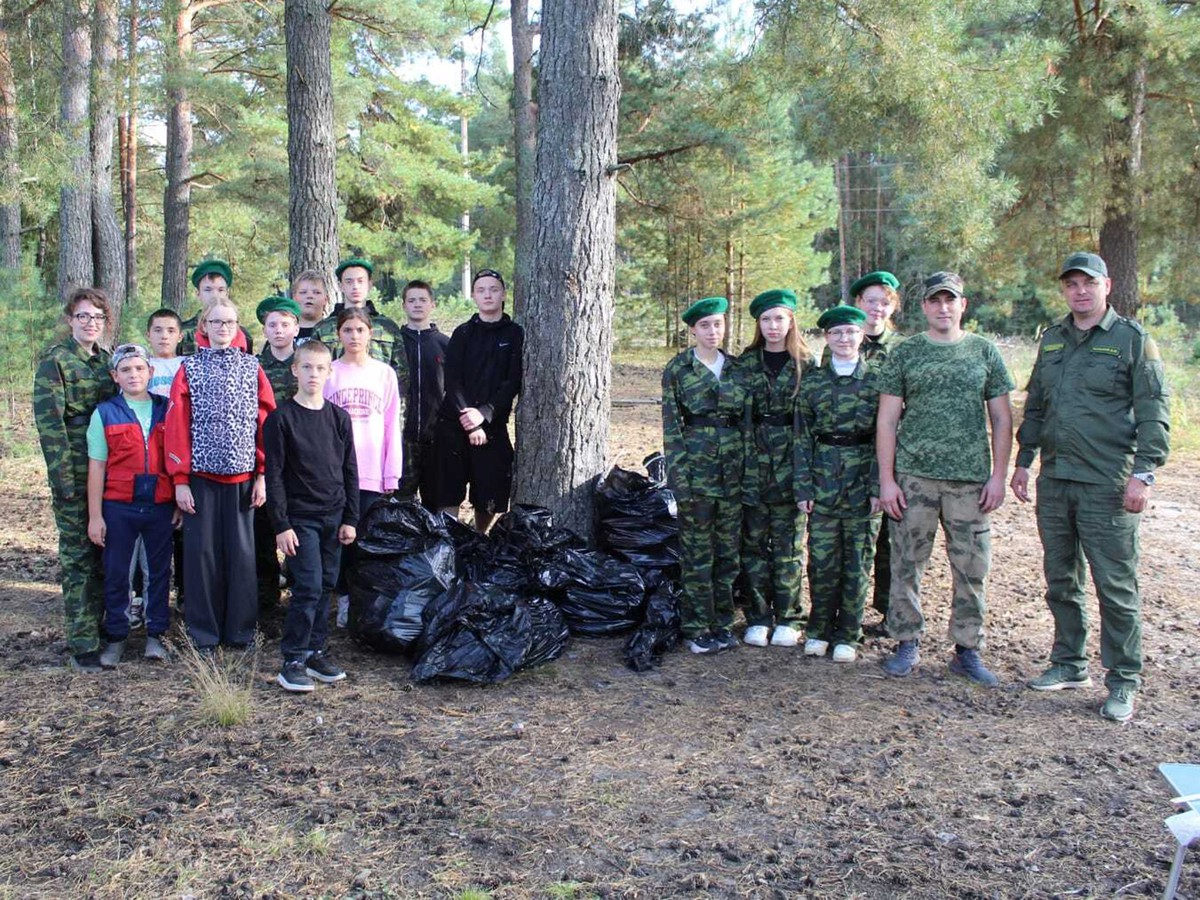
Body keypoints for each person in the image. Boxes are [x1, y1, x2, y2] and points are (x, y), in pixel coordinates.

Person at [1011, 251, 1170, 723]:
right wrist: (1024, 461)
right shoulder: (1054, 340)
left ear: (1107, 285)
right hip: (1056, 480)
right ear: (1064, 290)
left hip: (1108, 482)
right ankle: (1068, 662)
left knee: (1115, 585)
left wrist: (1143, 474)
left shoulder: (1131, 340)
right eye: (1071, 284)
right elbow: (1036, 403)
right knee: (1062, 579)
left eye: (1089, 283)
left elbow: (1154, 410)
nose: (1080, 291)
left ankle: (1123, 679)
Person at [876, 271, 1014, 685]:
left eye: (950, 300)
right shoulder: (905, 353)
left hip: (970, 481)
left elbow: (1002, 418)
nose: (942, 308)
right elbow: (886, 420)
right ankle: (906, 640)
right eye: (935, 301)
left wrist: (998, 476)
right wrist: (887, 479)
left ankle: (967, 649)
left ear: (962, 304)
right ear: (923, 307)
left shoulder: (984, 352)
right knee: (906, 564)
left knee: (972, 566)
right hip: (915, 478)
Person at [165, 299, 276, 650]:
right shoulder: (190, 368)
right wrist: (180, 480)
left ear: (238, 326)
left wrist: (262, 473)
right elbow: (177, 425)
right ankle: (203, 632)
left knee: (242, 556)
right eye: (216, 322)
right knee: (202, 557)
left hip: (243, 479)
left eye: (229, 322)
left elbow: (264, 422)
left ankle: (241, 631)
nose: (223, 328)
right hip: (201, 478)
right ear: (204, 327)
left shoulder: (252, 367)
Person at [264, 340, 359, 693]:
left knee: (327, 586)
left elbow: (350, 469)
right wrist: (282, 525)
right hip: (299, 518)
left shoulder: (339, 418)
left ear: (329, 372)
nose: (313, 374)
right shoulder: (281, 419)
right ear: (295, 370)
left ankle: (317, 650)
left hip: (334, 517)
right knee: (307, 586)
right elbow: (273, 476)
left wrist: (351, 517)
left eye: (320, 368)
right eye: (306, 367)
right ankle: (293, 659)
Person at [33, 287, 117, 672]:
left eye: (97, 318)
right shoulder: (57, 362)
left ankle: (106, 628)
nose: (90, 324)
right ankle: (83, 641)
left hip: (109, 470)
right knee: (78, 557)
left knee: (105, 551)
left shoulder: (107, 362)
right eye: (83, 316)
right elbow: (50, 427)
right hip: (75, 466)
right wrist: (64, 481)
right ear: (70, 320)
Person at [662, 296, 748, 655]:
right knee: (698, 554)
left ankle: (723, 622)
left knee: (728, 554)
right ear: (693, 330)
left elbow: (747, 424)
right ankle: (697, 627)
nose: (714, 332)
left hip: (734, 473)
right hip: (696, 474)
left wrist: (748, 473)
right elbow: (672, 429)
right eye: (706, 326)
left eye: (719, 324)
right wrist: (680, 482)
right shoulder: (679, 369)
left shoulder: (738, 369)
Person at [798, 305, 882, 663]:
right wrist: (803, 487)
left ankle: (849, 632)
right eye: (836, 333)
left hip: (863, 479)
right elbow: (801, 437)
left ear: (861, 335)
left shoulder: (878, 380)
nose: (844, 339)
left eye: (850, 332)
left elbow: (887, 435)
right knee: (822, 559)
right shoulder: (814, 382)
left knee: (858, 559)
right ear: (827, 339)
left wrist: (881, 485)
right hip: (823, 479)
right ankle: (818, 629)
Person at [85, 344, 176, 667]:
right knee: (118, 572)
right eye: (126, 370)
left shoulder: (168, 409)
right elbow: (96, 466)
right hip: (119, 506)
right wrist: (96, 516)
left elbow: (177, 457)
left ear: (151, 372)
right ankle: (117, 637)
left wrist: (178, 496)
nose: (133, 375)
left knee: (158, 572)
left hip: (160, 505)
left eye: (139, 368)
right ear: (115, 376)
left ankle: (156, 635)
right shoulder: (105, 413)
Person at [737, 288, 813, 649]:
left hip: (791, 465)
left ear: (791, 320)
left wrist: (807, 477)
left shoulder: (807, 364)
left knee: (789, 547)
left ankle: (789, 616)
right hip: (752, 465)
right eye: (766, 319)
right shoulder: (745, 363)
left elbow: (814, 424)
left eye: (779, 318)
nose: (773, 326)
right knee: (752, 545)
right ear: (758, 324)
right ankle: (757, 616)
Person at [324, 308, 403, 626]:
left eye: (360, 329)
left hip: (371, 472)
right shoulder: (329, 371)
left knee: (365, 540)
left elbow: (391, 424)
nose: (354, 336)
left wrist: (391, 471)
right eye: (348, 330)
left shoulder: (385, 373)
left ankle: (365, 599)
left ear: (370, 333)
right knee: (339, 540)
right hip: (336, 473)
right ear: (338, 335)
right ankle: (342, 598)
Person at [431, 269, 524, 533]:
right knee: (448, 491)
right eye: (481, 290)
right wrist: (470, 421)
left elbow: (512, 381)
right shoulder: (462, 333)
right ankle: (452, 540)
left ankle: (480, 538)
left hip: (492, 426)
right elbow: (452, 381)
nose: (487, 295)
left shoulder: (514, 334)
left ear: (503, 294)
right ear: (473, 296)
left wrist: (484, 414)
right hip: (454, 424)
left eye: (493, 289)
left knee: (491, 494)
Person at [841, 271, 905, 630]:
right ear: (858, 304)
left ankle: (890, 611)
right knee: (853, 535)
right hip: (847, 456)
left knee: (891, 539)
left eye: (885, 302)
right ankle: (849, 609)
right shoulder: (842, 340)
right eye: (870, 301)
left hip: (892, 454)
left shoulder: (903, 348)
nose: (877, 308)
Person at [254, 295, 301, 614]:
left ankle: (300, 603)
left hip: (300, 464)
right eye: (272, 325)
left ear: (296, 328)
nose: (279, 330)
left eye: (285, 324)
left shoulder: (306, 365)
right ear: (265, 329)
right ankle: (267, 604)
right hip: (263, 462)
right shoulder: (253, 367)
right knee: (262, 538)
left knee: (298, 535)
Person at [312, 257, 409, 396]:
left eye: (360, 281)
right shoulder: (323, 329)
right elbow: (315, 372)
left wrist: (398, 416)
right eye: (349, 281)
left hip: (376, 406)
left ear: (370, 285)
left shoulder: (387, 327)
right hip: (335, 406)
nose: (355, 286)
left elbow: (401, 377)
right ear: (341, 286)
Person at [397, 279, 450, 505]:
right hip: (401, 437)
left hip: (436, 436)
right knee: (401, 500)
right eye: (411, 300)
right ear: (404, 306)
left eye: (422, 300)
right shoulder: (395, 343)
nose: (417, 305)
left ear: (433, 304)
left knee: (435, 501)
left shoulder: (446, 344)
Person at [178, 258, 253, 354]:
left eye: (220, 290)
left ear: (227, 293)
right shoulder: (183, 333)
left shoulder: (241, 334)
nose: (215, 295)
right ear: (198, 293)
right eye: (208, 290)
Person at [292, 270, 330, 344]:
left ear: (326, 299)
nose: (309, 296)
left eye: (316, 292)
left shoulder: (335, 332)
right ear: (294, 298)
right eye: (303, 292)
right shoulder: (284, 334)